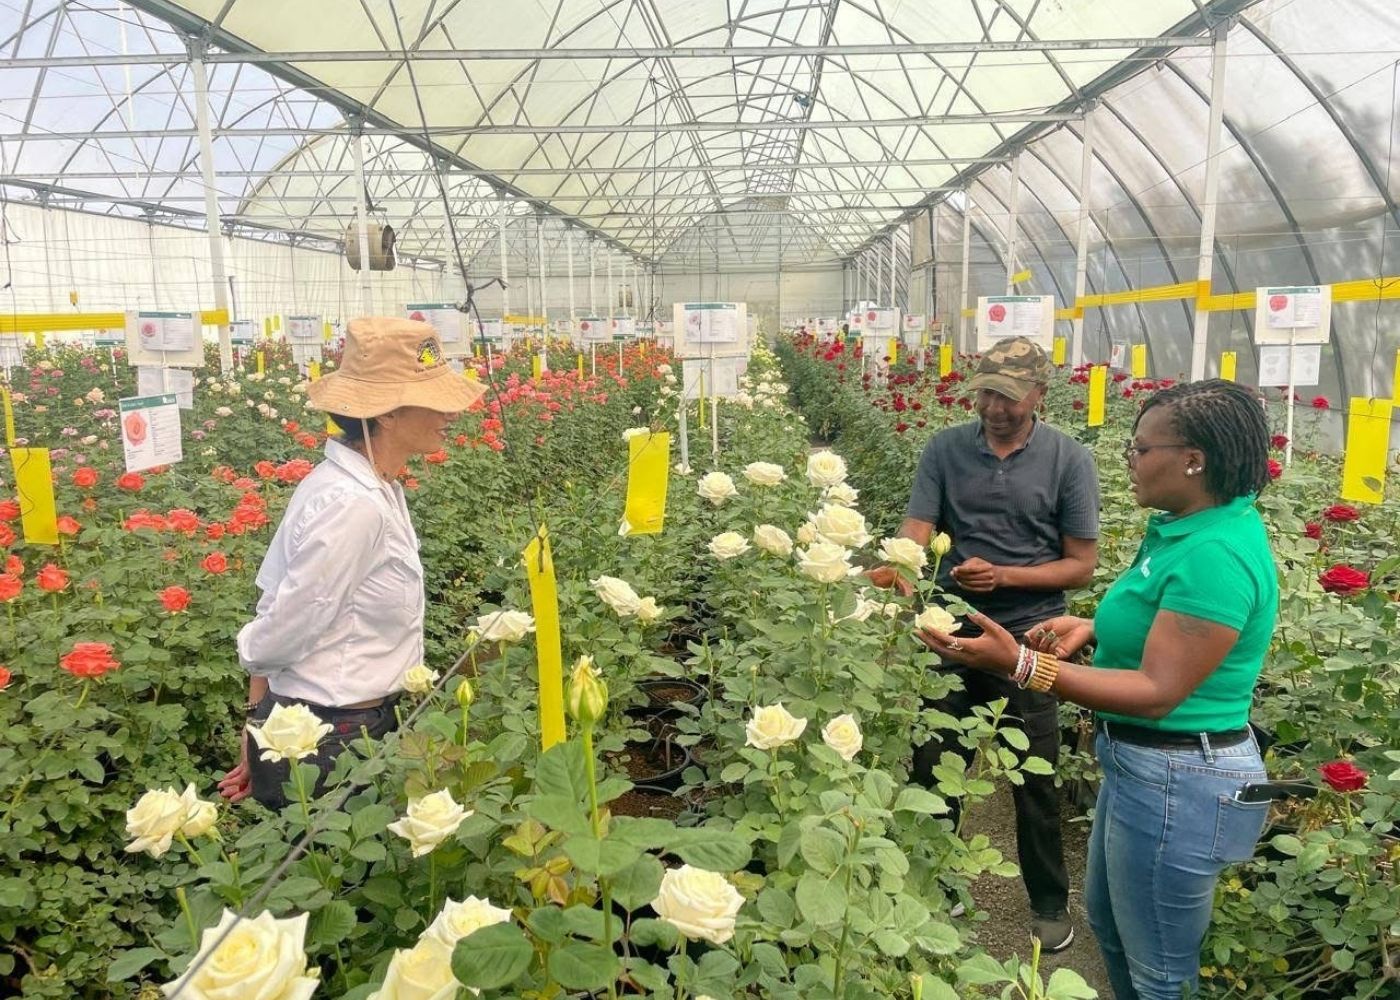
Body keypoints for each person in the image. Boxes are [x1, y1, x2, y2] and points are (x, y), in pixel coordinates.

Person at [918, 379, 1279, 1000]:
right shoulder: (1185, 529)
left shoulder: (1216, 553)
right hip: (1145, 768)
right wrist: (1091, 626)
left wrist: (1018, 664)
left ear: (1193, 460)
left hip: (1178, 778)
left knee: (1159, 972)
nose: (1129, 460)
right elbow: (1162, 626)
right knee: (1111, 929)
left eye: (1141, 449)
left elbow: (1158, 690)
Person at [869, 336, 1099, 952]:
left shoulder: (1068, 459)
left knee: (1035, 776)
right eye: (987, 393)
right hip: (951, 628)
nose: (995, 407)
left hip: (1032, 636)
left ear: (1039, 394)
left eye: (1009, 396)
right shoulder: (946, 449)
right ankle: (933, 885)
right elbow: (918, 527)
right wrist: (901, 564)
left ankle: (1048, 901)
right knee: (934, 760)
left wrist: (1006, 577)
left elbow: (1081, 566)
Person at [218, 317, 485, 807]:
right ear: (386, 413)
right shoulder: (352, 505)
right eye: (435, 400)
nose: (451, 413)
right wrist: (264, 722)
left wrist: (260, 720)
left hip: (333, 725)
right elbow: (281, 630)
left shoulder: (365, 486)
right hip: (331, 740)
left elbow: (273, 602)